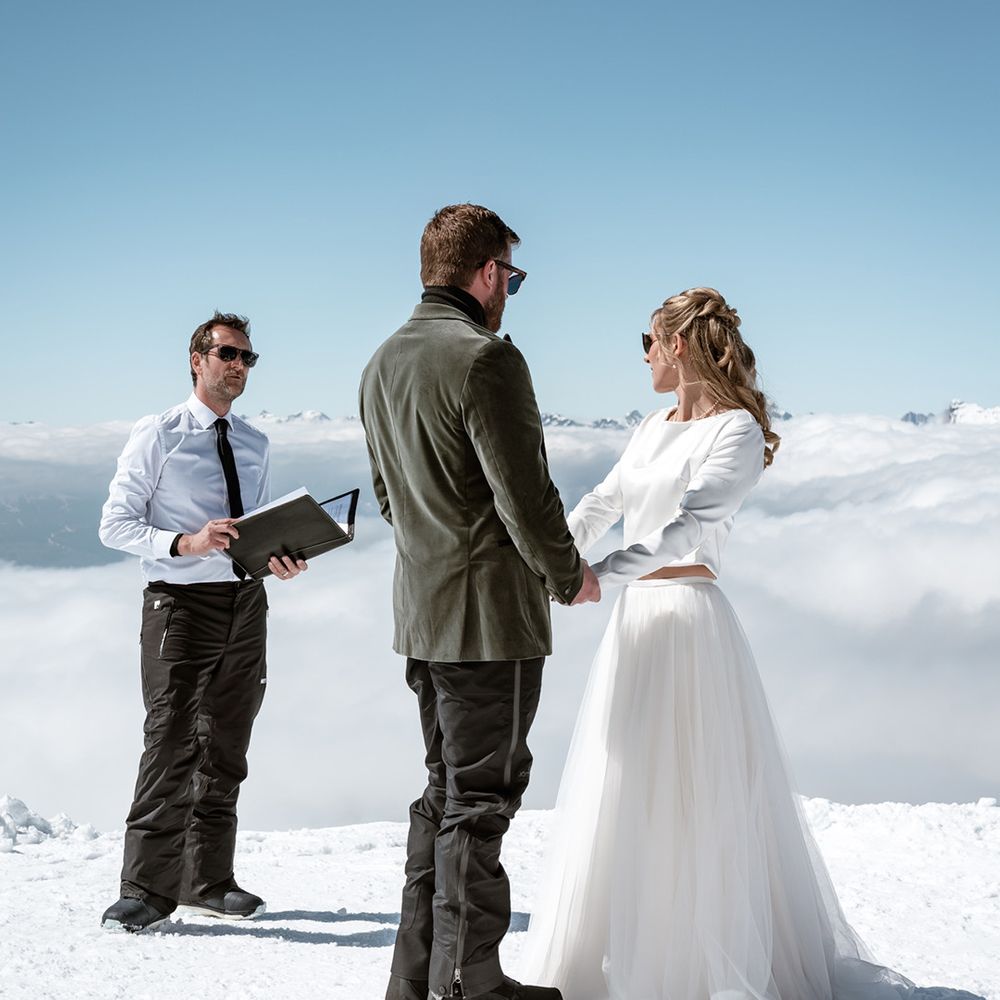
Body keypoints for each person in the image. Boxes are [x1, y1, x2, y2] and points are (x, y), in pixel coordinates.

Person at [518, 288, 970, 999]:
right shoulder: (651, 424)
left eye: (648, 341)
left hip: (690, 623)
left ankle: (696, 962)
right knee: (627, 786)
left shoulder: (736, 433)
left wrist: (599, 575)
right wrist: (549, 562)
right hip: (636, 624)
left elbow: (691, 527)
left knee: (698, 795)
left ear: (676, 346)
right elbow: (602, 503)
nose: (641, 357)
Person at [359, 204, 601, 1000]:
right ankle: (472, 983)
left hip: (423, 619)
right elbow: (523, 497)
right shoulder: (486, 360)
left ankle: (417, 976)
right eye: (514, 277)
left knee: (444, 793)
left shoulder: (381, 363)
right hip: (490, 624)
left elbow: (392, 501)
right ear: (489, 272)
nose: (512, 293)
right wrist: (569, 575)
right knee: (482, 801)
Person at [98, 311, 307, 933]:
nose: (239, 366)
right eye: (228, 355)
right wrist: (186, 543)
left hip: (245, 605)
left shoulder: (255, 442)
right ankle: (144, 888)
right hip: (178, 606)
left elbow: (251, 533)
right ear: (198, 359)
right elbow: (115, 525)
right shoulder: (158, 433)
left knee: (227, 743)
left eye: (248, 358)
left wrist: (279, 559)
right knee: (171, 740)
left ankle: (207, 880)